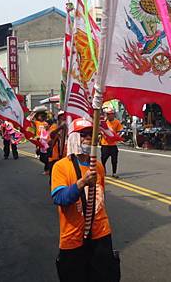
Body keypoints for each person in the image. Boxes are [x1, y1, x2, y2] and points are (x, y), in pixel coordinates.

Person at [51, 118, 118, 282]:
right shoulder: (61, 167)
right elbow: (60, 198)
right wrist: (81, 183)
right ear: (73, 138)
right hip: (73, 237)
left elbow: (100, 197)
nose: (88, 138)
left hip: (100, 233)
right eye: (83, 135)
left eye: (91, 135)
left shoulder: (98, 167)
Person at [101, 109, 123, 178]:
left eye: (110, 114)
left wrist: (116, 136)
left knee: (114, 160)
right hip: (105, 144)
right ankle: (103, 170)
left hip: (113, 145)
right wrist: (104, 135)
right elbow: (101, 129)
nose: (108, 116)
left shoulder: (117, 122)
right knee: (103, 159)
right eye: (107, 114)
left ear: (113, 114)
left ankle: (114, 173)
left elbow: (119, 131)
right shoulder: (104, 122)